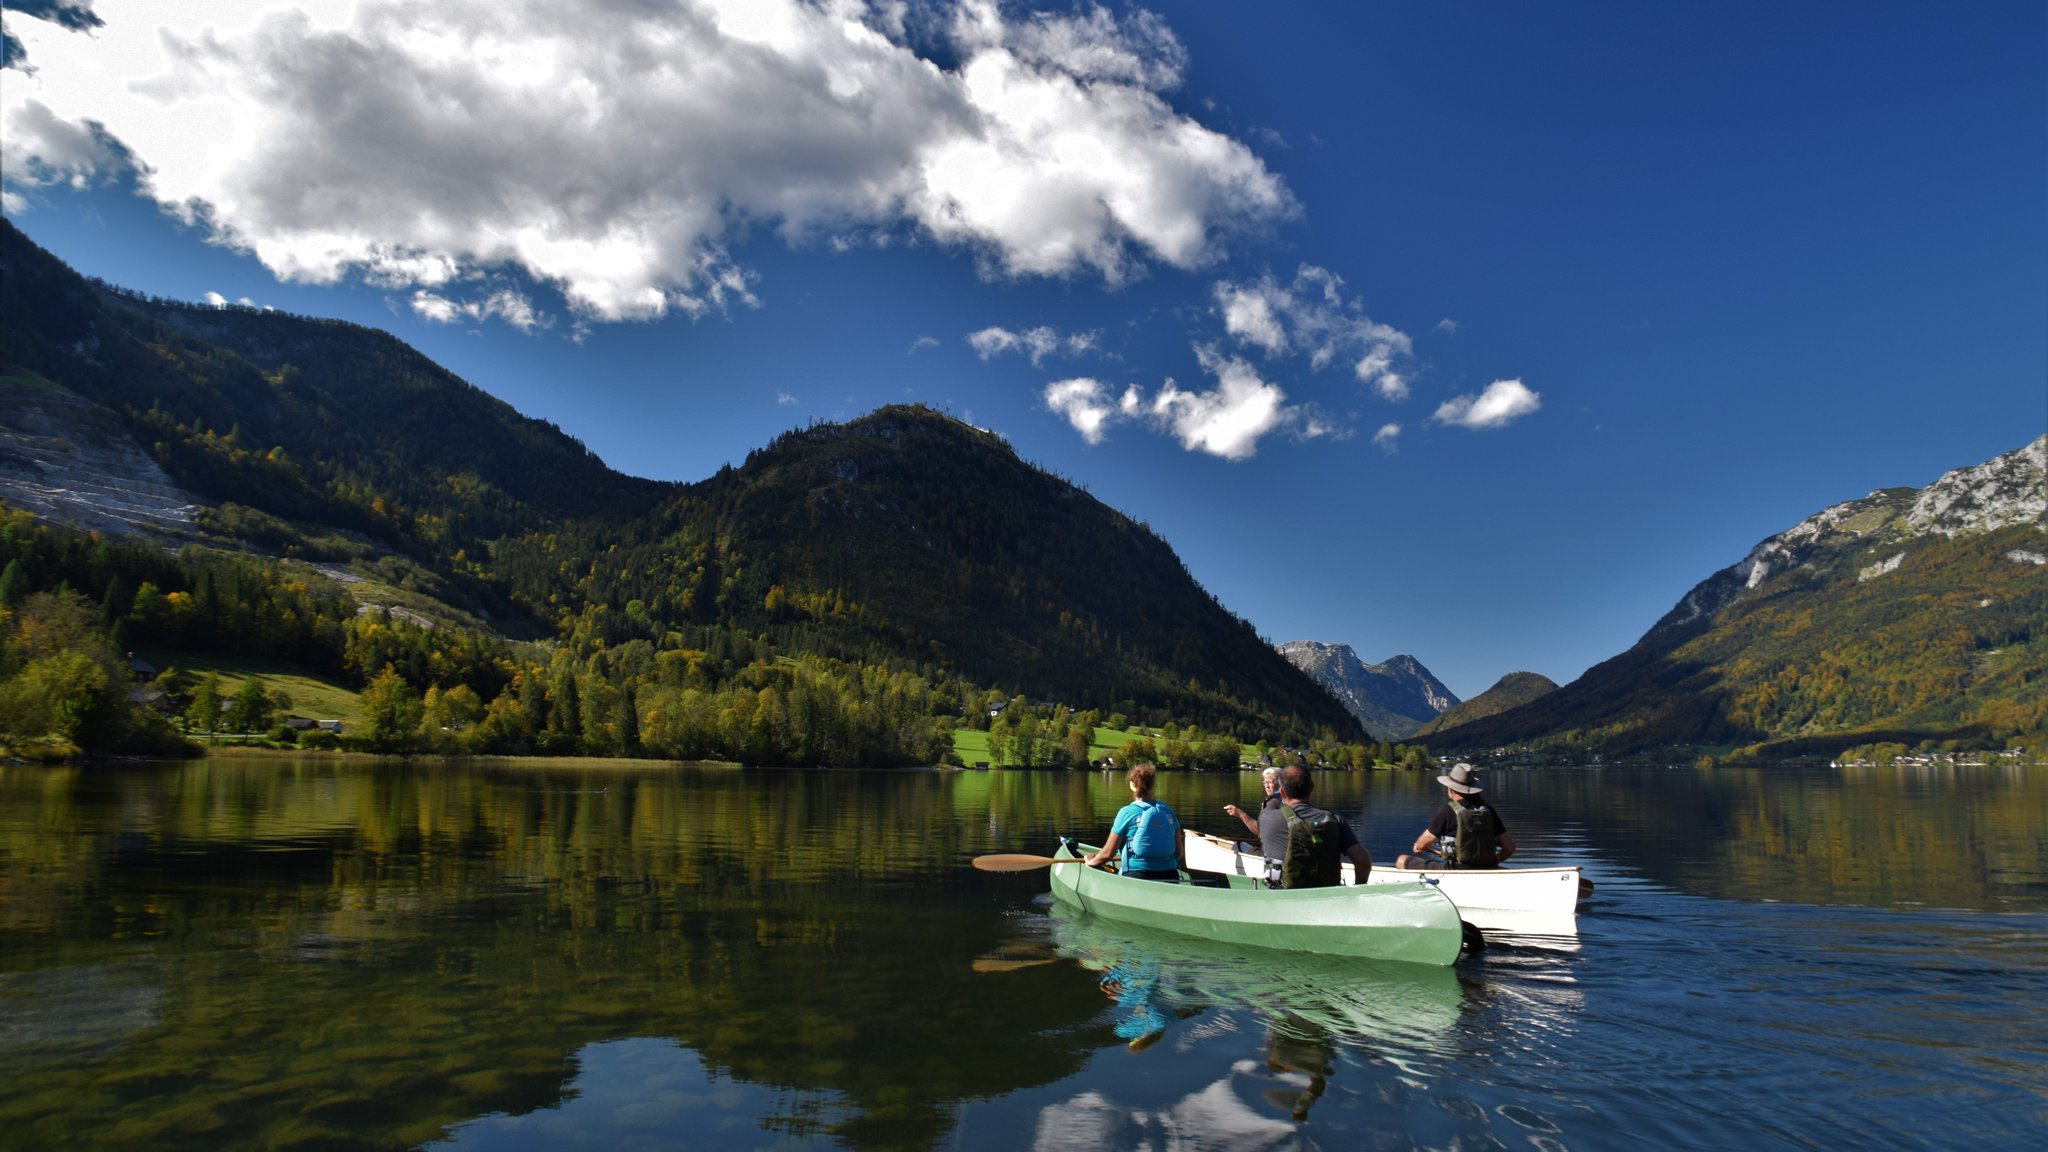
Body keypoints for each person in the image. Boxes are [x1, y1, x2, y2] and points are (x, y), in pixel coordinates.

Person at [1256, 764, 1372, 888]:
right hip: (1328, 897)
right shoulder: (1335, 820)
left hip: (1283, 898)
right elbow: (1363, 862)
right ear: (1312, 788)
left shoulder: (1266, 818)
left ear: (1282, 792)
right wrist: (1358, 888)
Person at [1397, 763, 1516, 870]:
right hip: (1487, 867)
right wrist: (1493, 862)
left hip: (1455, 869)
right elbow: (1509, 848)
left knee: (1402, 860)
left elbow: (1422, 844)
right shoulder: (1488, 811)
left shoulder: (1447, 811)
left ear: (1452, 790)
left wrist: (1418, 846)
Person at [1084, 762, 1185, 881]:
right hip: (1170, 876)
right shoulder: (1168, 811)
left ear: (1132, 784)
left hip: (1137, 877)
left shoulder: (1127, 812)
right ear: (1153, 785)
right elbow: (1178, 854)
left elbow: (1107, 854)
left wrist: (1091, 861)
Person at [1223, 766, 1281, 845]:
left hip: (1271, 852)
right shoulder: (1289, 799)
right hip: (1280, 847)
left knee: (1236, 846)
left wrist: (1240, 814)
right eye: (1265, 783)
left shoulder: (1273, 803)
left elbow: (1260, 830)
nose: (1267, 786)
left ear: (1281, 783)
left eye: (1270, 782)